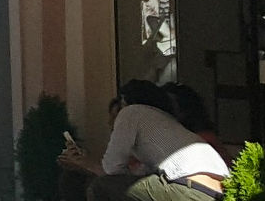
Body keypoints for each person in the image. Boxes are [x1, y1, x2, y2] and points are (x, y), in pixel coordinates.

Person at [67, 81, 230, 199]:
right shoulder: (163, 123)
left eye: (114, 114)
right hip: (216, 192)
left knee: (101, 186)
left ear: (125, 102)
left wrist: (83, 163)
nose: (111, 123)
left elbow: (111, 171)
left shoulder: (130, 112)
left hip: (191, 188)